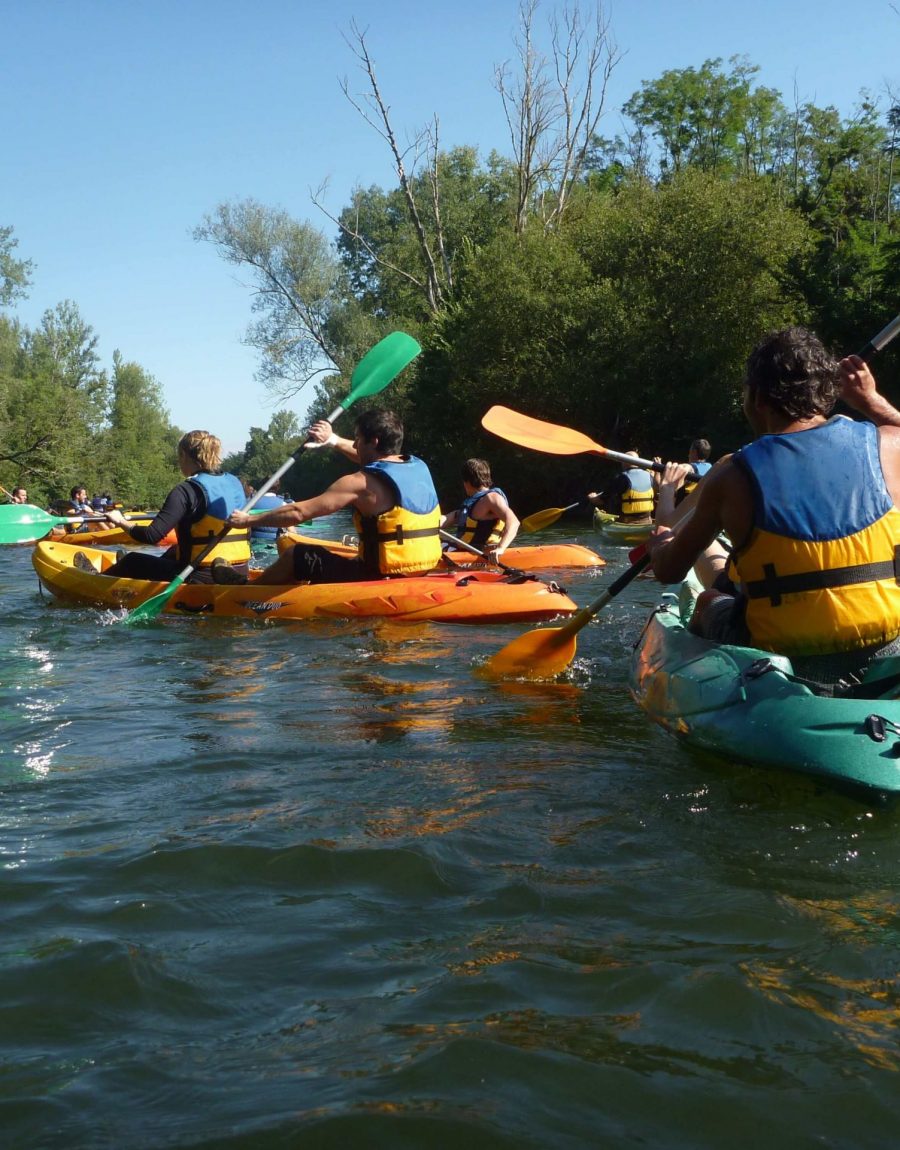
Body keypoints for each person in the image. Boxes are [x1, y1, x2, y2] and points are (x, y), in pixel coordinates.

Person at [648, 326, 900, 680]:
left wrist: (660, 543)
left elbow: (669, 571)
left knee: (707, 604)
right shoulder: (887, 445)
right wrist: (871, 402)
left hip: (781, 649)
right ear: (825, 392)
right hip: (886, 641)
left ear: (760, 399)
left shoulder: (732, 474)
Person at [219, 408, 442, 585]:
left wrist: (247, 520)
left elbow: (298, 512)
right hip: (419, 572)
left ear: (373, 441)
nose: (354, 444)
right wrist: (332, 439)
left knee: (297, 554)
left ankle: (245, 592)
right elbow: (371, 458)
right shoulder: (418, 466)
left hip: (375, 577)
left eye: (357, 438)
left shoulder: (358, 483)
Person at [83, 430, 251, 583]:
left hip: (197, 574)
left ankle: (97, 580)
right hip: (239, 569)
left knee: (132, 560)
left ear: (184, 455)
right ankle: (126, 571)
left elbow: (152, 535)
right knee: (174, 551)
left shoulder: (186, 490)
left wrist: (120, 521)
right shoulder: (235, 483)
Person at [440, 458, 520, 562]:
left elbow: (514, 522)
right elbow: (444, 519)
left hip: (482, 554)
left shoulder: (491, 498)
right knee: (433, 542)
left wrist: (500, 548)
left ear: (467, 481)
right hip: (461, 551)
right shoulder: (470, 503)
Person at [588, 452, 655, 522]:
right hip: (647, 520)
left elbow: (601, 500)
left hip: (627, 522)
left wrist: (593, 498)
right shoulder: (649, 476)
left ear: (625, 462)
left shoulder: (621, 478)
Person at [676, 438, 713, 504]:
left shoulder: (691, 467)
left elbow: (688, 468)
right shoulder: (710, 467)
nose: (688, 455)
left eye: (690, 452)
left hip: (684, 508)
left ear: (694, 452)